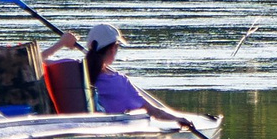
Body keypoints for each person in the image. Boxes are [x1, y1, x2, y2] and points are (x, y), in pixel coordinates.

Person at [48, 22, 191, 124]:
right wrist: (180, 119)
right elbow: (156, 112)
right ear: (112, 49)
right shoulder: (120, 81)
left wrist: (61, 43)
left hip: (78, 127)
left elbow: (34, 61)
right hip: (107, 132)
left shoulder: (73, 69)